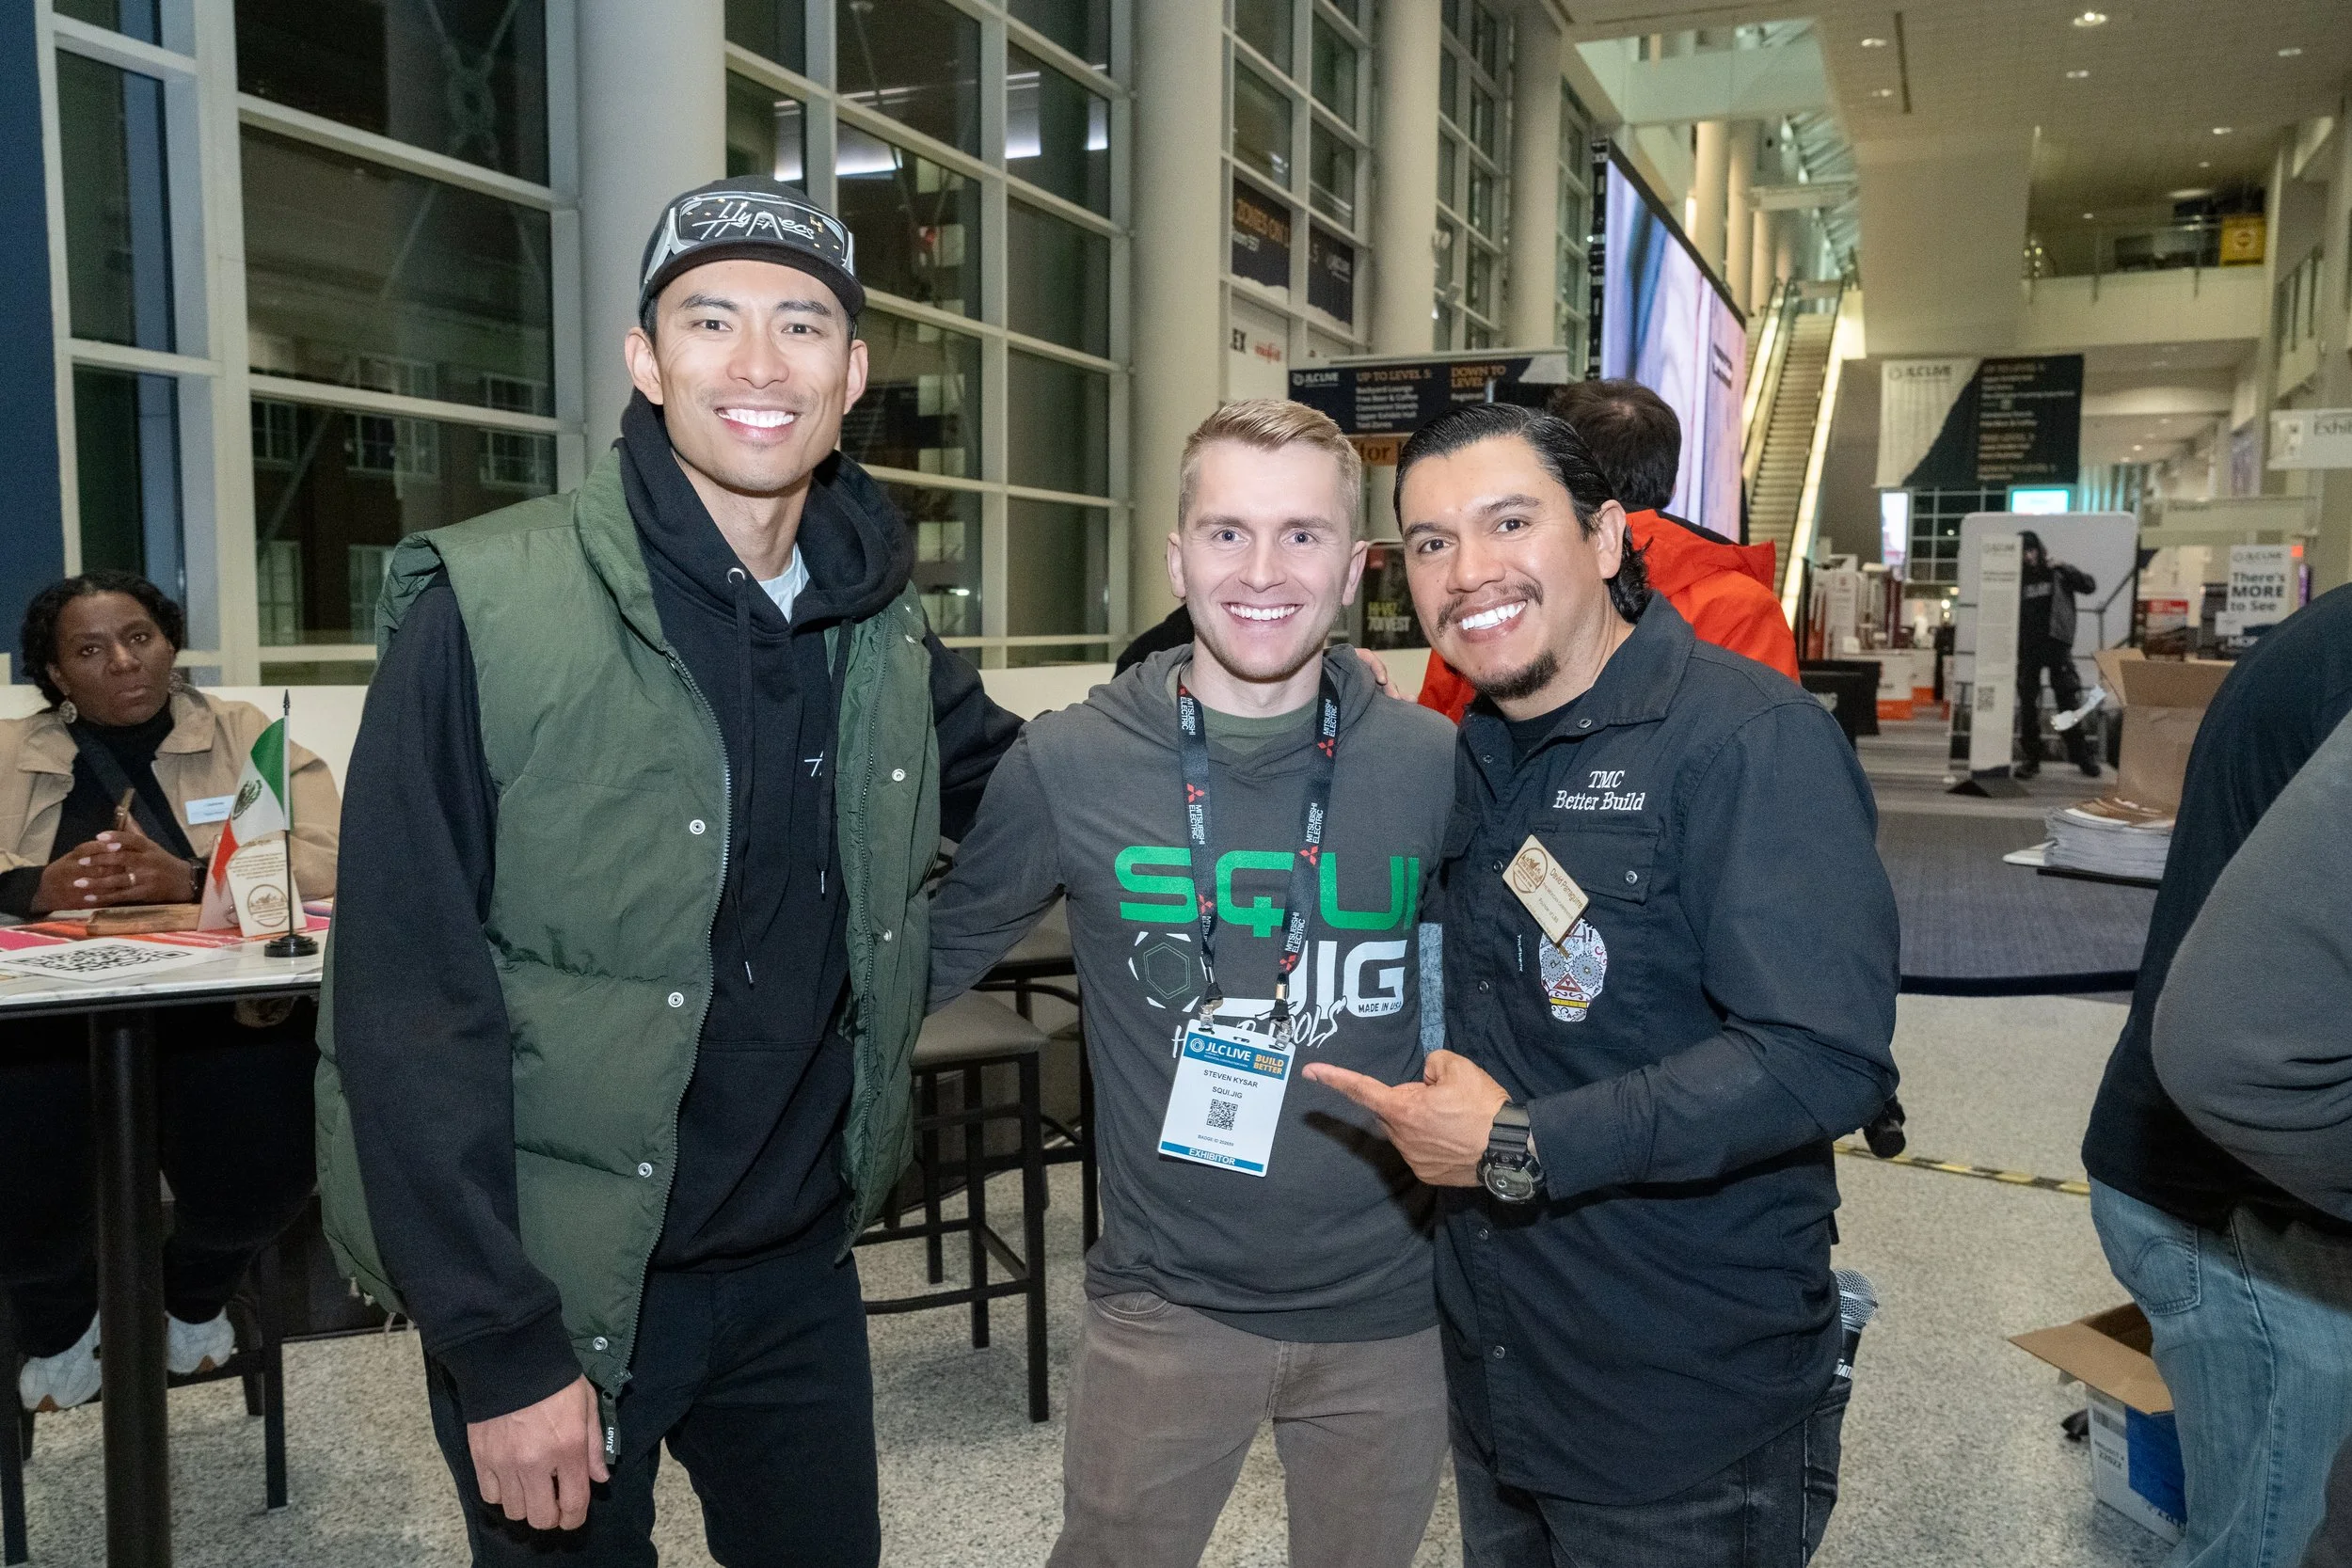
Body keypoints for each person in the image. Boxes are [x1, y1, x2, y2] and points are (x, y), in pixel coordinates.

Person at [318, 177, 1020, 1564]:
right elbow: (404, 998)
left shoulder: (875, 623)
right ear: (645, 359)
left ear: (854, 373)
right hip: (556, 1279)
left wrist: (1261, 732)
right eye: (712, 319)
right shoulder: (486, 611)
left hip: (795, 1266)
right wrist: (496, 1342)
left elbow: (1031, 790)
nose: (759, 364)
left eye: (803, 326)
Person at [1310, 402, 1899, 1568]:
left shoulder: (1743, 740)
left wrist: (1519, 1142)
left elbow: (1821, 1056)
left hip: (1679, 1409)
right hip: (1502, 1377)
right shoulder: (1471, 750)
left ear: (1608, 535)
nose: (1467, 571)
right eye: (1430, 542)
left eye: (1509, 521)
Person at [928, 400, 1457, 1568]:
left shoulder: (1433, 766)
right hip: (1167, 1306)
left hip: (1391, 1310)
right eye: (1226, 533)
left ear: (1356, 567)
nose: (1262, 571)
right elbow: (914, 961)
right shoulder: (1069, 763)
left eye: (1302, 536)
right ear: (1175, 557)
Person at [1, 571, 336, 1412]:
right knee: (15, 1164)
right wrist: (33, 888)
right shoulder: (8, 755)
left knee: (269, 1156)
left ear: (171, 642)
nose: (123, 661)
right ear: (54, 673)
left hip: (213, 1015)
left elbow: (336, 852)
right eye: (89, 648)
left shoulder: (244, 734)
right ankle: (59, 1318)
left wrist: (190, 874)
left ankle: (190, 1295)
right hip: (45, 1024)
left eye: (140, 636)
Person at [2083, 582, 2352, 1568]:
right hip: (2233, 1206)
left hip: (2229, 1178)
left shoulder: (2324, 638)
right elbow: (2239, 1049)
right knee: (2271, 1539)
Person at [1415, 377, 1798, 722]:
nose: (1468, 571)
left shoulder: (1485, 610)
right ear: (1672, 485)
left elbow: (1440, 754)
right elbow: (1772, 751)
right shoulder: (1742, 607)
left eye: (1512, 524)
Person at [2013, 529, 2098, 779]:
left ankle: (2081, 756)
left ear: (2039, 550)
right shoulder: (2017, 577)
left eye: (2031, 550)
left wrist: (2065, 567)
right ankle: (2031, 758)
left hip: (2056, 645)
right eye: (2023, 551)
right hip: (2028, 647)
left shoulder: (2057, 572)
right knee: (2028, 704)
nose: (2028, 556)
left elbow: (2089, 586)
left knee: (2067, 701)